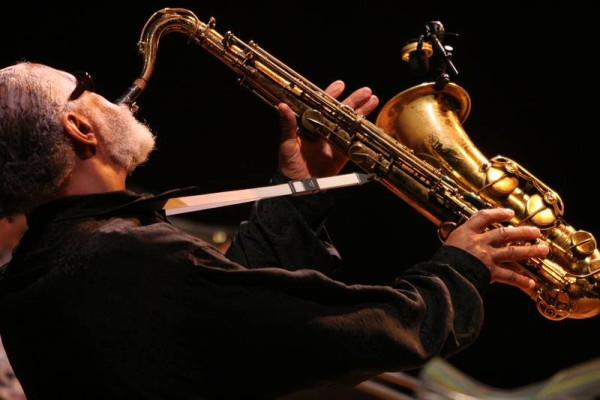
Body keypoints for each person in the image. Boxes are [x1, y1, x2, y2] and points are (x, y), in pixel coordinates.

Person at [0, 61, 549, 400]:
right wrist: (458, 271)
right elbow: (334, 331)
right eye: (86, 85)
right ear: (78, 125)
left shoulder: (47, 267)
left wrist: (298, 188)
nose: (107, 93)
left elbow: (224, 312)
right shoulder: (121, 256)